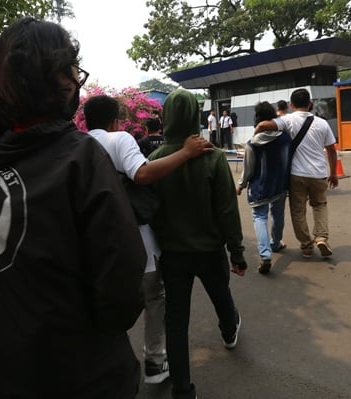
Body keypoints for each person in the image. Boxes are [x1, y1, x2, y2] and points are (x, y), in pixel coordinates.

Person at [0, 18, 146, 399]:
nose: (78, 82)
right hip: (80, 375)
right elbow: (120, 275)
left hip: (1, 373)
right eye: (74, 72)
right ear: (56, 78)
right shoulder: (79, 158)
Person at [83, 95, 212, 385]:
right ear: (115, 120)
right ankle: (155, 361)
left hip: (92, 247)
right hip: (133, 242)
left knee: (105, 305)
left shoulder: (76, 146)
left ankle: (106, 368)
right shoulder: (119, 140)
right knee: (154, 298)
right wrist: (186, 153)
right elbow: (141, 174)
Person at [148, 89, 247, 399]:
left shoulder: (153, 161)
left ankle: (182, 389)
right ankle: (229, 331)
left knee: (176, 322)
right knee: (221, 296)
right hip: (210, 251)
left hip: (173, 255)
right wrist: (237, 251)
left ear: (167, 118)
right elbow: (227, 210)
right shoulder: (214, 156)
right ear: (195, 116)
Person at [255, 88, 338, 258]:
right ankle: (321, 237)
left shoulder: (287, 120)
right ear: (309, 104)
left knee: (298, 211)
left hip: (296, 175)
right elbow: (331, 150)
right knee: (320, 206)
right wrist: (333, 173)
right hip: (319, 174)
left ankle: (306, 245)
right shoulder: (322, 123)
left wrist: (255, 142)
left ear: (291, 105)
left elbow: (263, 125)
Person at [237, 101, 291, 274]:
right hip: (280, 185)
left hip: (260, 188)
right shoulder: (285, 137)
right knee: (278, 214)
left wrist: (241, 185)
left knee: (259, 218)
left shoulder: (252, 143)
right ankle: (276, 243)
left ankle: (265, 254)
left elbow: (248, 169)